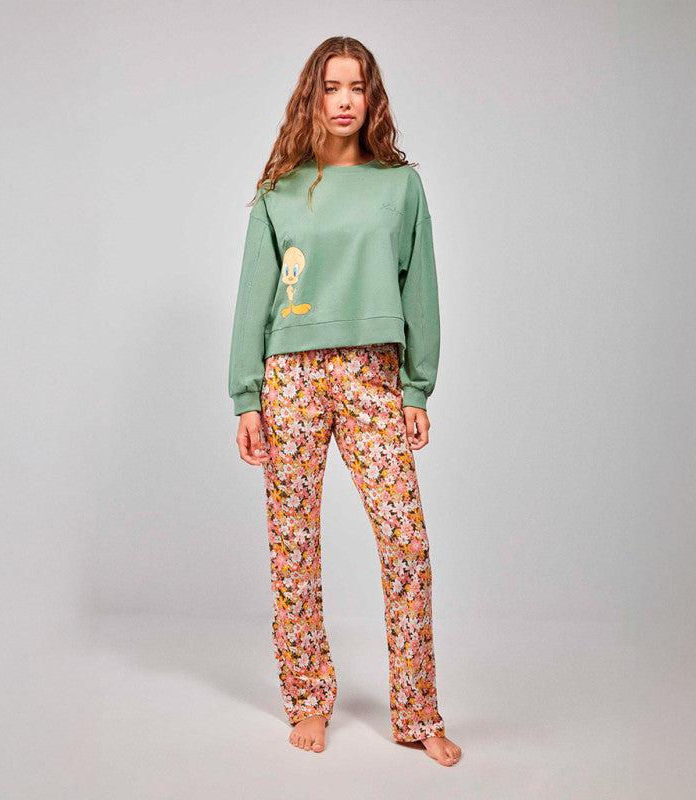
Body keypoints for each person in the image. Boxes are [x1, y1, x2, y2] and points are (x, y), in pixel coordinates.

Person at [227, 36, 462, 767]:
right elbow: (253, 297)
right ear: (313, 95)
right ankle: (308, 700)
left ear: (372, 98)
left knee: (406, 543)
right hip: (290, 377)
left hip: (371, 376)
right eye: (331, 86)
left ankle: (417, 711)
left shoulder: (400, 186)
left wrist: (417, 385)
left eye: (357, 86)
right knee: (293, 542)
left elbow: (420, 286)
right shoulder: (280, 191)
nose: (344, 100)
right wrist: (246, 398)